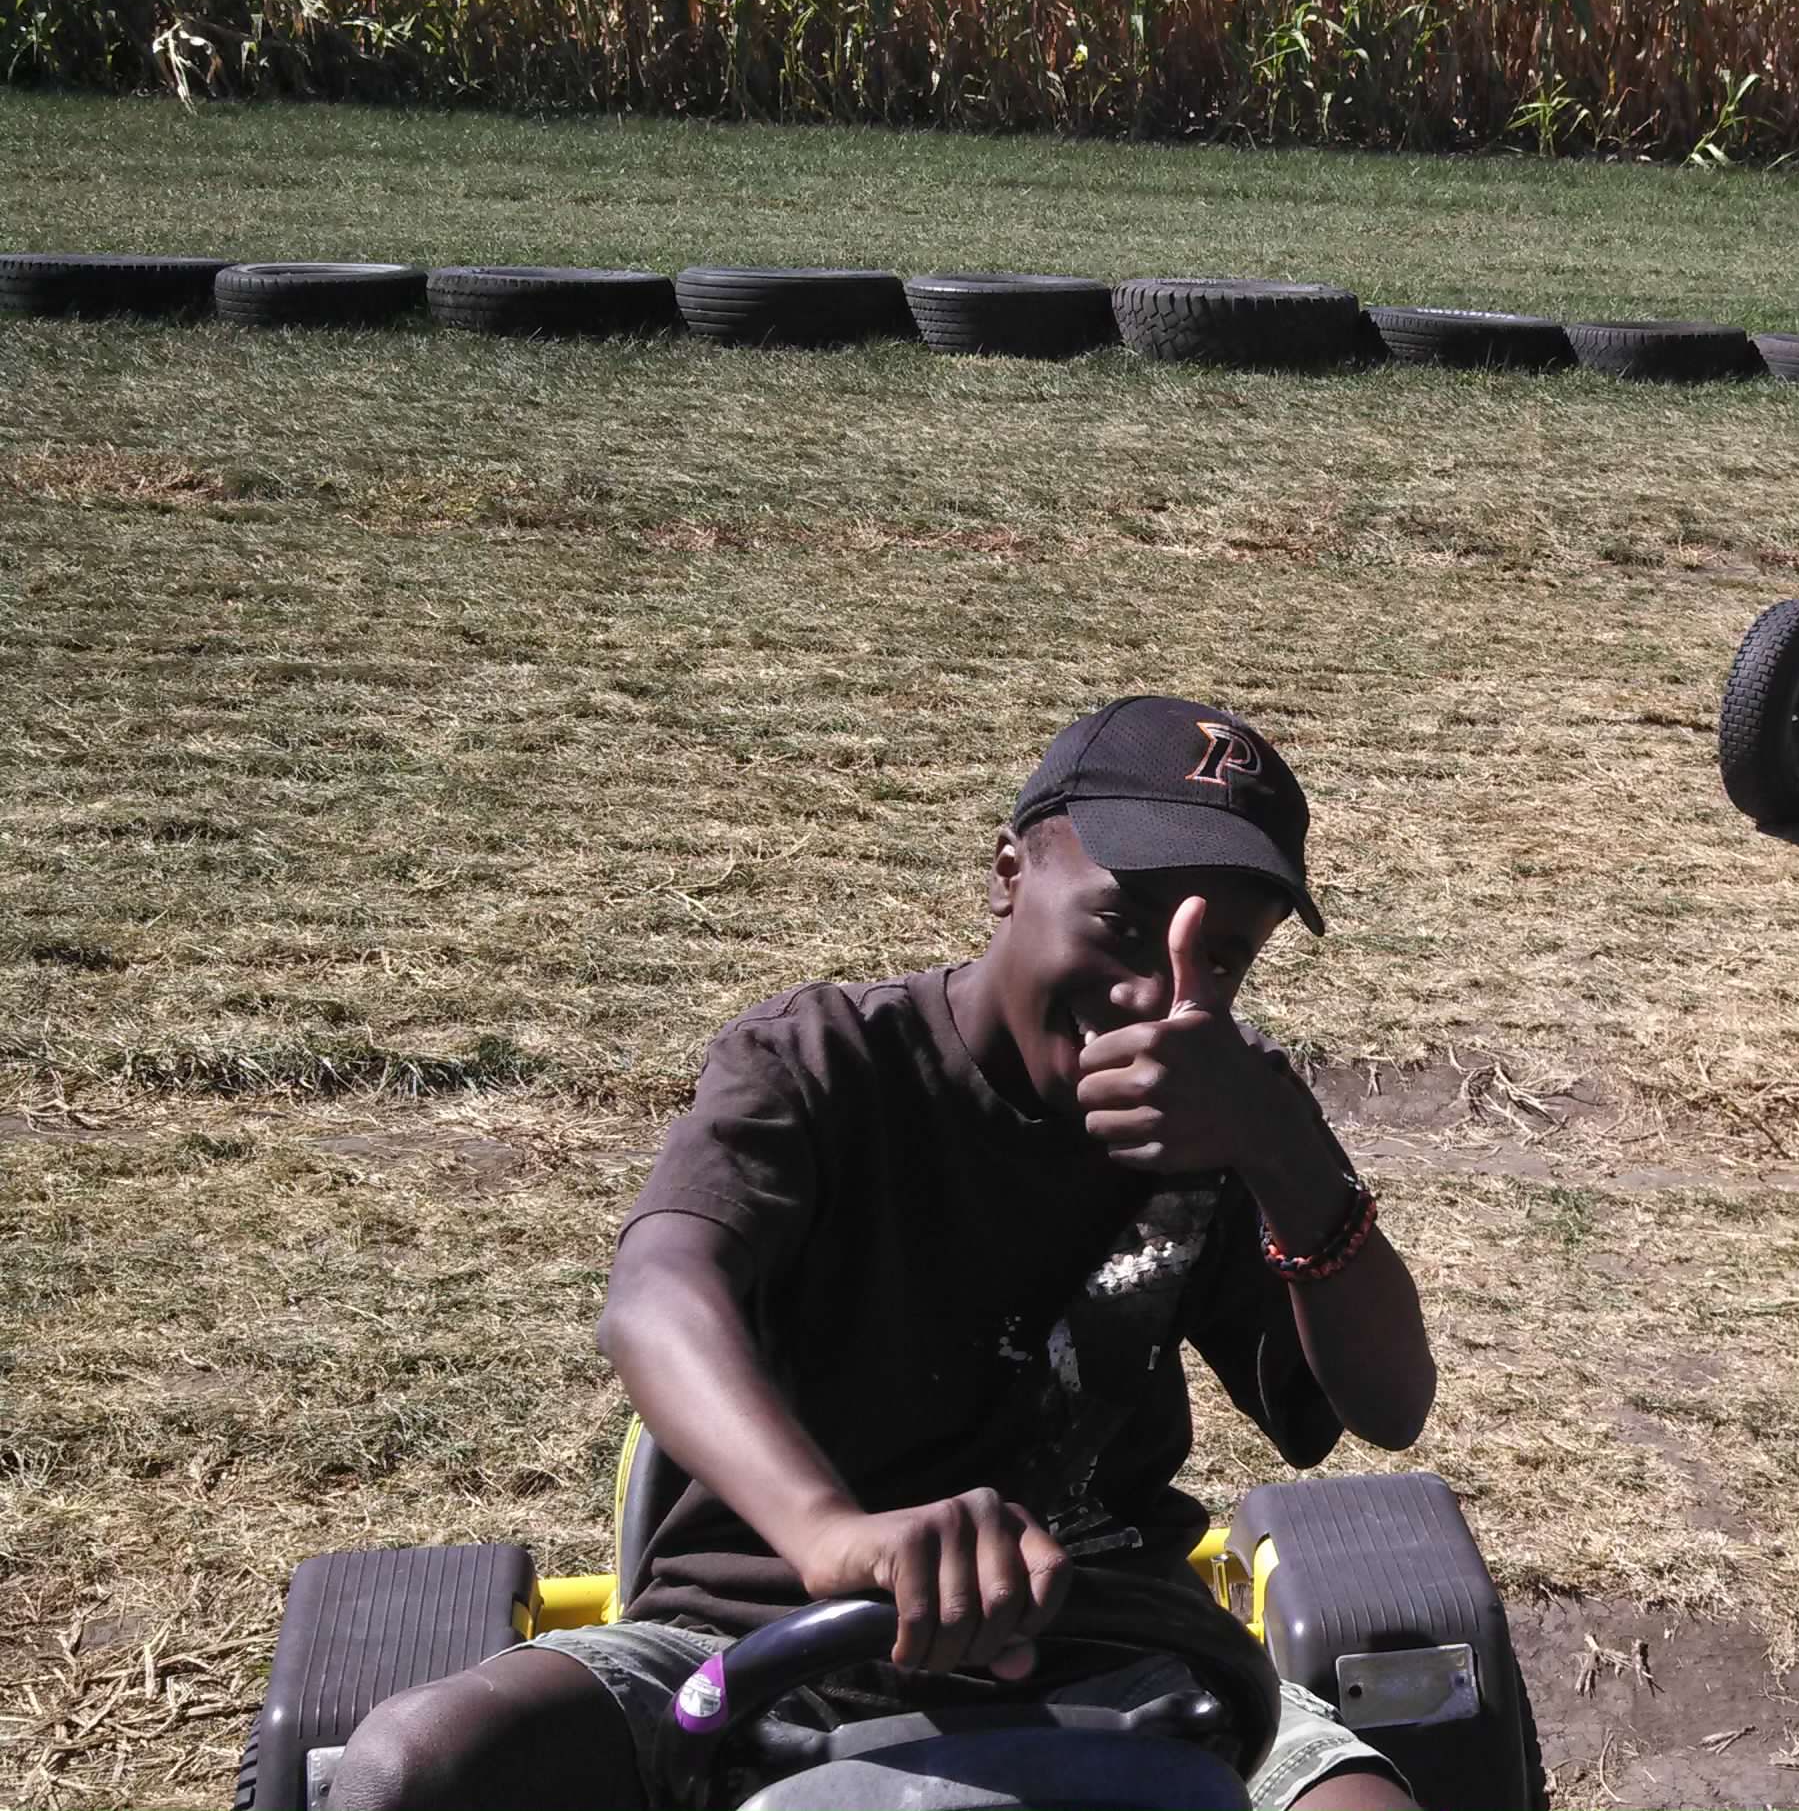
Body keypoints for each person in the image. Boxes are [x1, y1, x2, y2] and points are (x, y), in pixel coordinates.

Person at [329, 695, 1437, 1811]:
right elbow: (658, 1295)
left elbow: (1388, 1406)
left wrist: (1285, 1153)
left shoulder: (1228, 1108)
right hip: (751, 1630)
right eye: (1124, 923)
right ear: (1009, 873)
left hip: (1115, 1641)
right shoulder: (820, 1063)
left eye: (1223, 958)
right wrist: (830, 1534)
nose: (1156, 994)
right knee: (414, 1767)